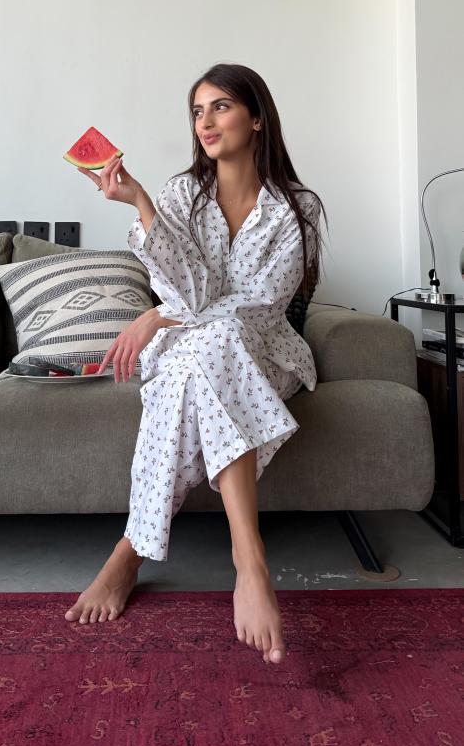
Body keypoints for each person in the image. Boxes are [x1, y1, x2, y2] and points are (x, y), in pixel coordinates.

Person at [65, 62, 327, 665]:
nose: (205, 121)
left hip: (267, 351)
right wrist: (140, 202)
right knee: (201, 357)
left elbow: (264, 303)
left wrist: (160, 317)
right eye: (197, 111)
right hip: (196, 349)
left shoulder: (296, 208)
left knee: (216, 343)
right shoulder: (179, 195)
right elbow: (185, 288)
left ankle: (128, 555)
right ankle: (249, 561)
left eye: (221, 107)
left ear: (256, 118)